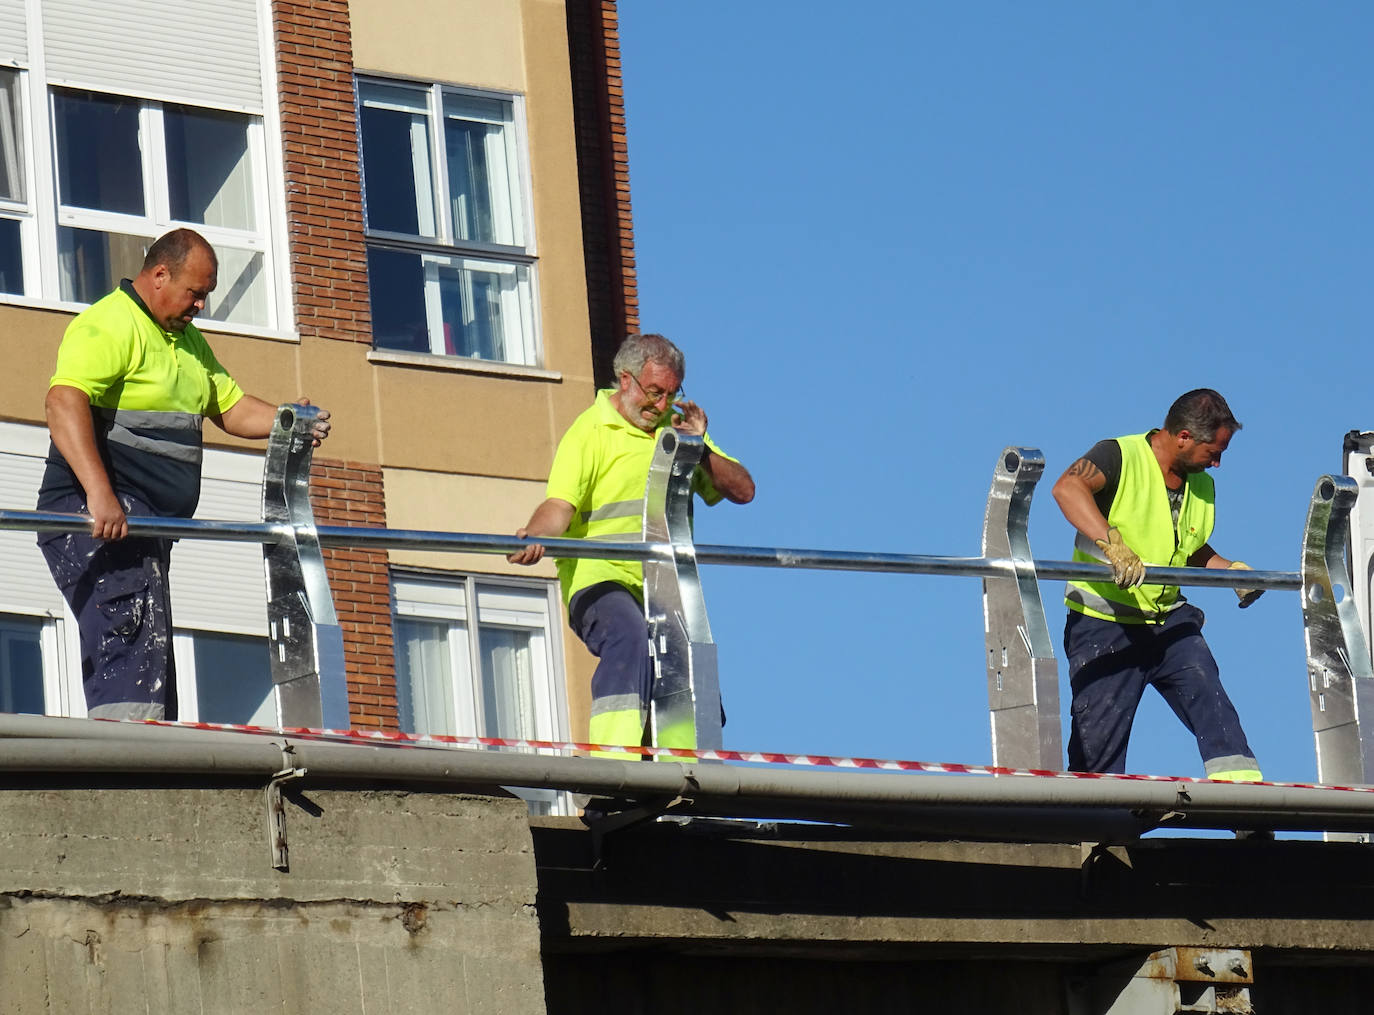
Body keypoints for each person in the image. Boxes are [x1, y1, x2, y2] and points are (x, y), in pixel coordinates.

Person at [36, 228, 331, 721]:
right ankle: (131, 760)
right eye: (195, 293)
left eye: (205, 295)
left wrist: (288, 421)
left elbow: (232, 409)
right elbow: (63, 401)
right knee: (129, 627)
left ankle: (151, 749)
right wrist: (100, 494)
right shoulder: (110, 325)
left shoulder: (188, 342)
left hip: (142, 524)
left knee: (147, 643)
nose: (200, 305)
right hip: (91, 511)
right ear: (159, 275)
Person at [507, 333, 754, 752]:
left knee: (687, 669)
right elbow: (559, 506)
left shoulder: (675, 432)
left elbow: (743, 490)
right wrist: (535, 537)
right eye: (654, 393)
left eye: (671, 394)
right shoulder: (590, 431)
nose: (660, 406)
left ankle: (677, 774)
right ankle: (611, 768)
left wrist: (700, 447)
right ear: (626, 380)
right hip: (600, 579)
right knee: (631, 639)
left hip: (665, 586)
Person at [1051, 388, 1262, 781]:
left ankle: (1245, 802)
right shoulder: (1119, 456)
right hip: (1104, 621)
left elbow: (1186, 546)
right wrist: (1111, 541)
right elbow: (1067, 488)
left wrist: (1229, 570)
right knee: (1097, 751)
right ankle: (1097, 832)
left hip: (1167, 620)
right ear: (1183, 437)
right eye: (1213, 451)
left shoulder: (1198, 482)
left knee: (1213, 705)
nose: (1216, 463)